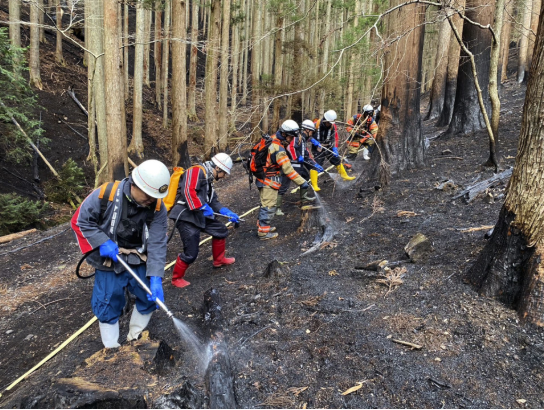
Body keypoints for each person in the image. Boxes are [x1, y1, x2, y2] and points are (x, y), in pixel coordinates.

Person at [71, 160, 170, 348]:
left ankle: (136, 337)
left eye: (155, 196)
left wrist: (156, 277)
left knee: (149, 296)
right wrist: (101, 241)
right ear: (134, 184)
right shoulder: (105, 194)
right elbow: (80, 221)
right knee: (108, 301)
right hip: (109, 257)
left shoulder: (157, 207)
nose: (152, 199)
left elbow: (157, 243)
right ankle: (111, 348)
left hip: (138, 255)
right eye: (148, 195)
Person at [169, 153, 240, 288]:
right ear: (218, 168)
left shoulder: (208, 180)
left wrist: (226, 211)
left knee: (221, 230)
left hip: (199, 214)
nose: (224, 176)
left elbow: (213, 201)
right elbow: (188, 191)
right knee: (191, 252)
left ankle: (219, 260)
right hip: (185, 216)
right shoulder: (196, 171)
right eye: (224, 173)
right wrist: (201, 206)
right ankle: (176, 278)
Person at [254, 120, 309, 240]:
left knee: (265, 204)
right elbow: (288, 170)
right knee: (269, 205)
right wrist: (302, 182)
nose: (291, 140)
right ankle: (263, 233)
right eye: (290, 137)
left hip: (263, 177)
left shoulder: (273, 138)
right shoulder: (279, 149)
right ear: (284, 134)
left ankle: (263, 226)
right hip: (268, 180)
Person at [275, 120, 321, 216]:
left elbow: (306, 153)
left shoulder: (303, 139)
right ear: (307, 130)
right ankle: (276, 208)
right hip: (290, 165)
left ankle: (303, 197)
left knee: (305, 177)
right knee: (284, 186)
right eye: (312, 132)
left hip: (298, 165)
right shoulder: (296, 137)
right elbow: (290, 148)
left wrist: (314, 164)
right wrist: (296, 157)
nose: (312, 134)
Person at [309, 110, 355, 191]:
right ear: (325, 120)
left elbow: (333, 137)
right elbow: (307, 135)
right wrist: (313, 141)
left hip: (328, 146)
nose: (330, 124)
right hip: (318, 148)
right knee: (316, 164)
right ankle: (314, 185)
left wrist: (334, 148)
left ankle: (344, 176)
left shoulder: (332, 126)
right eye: (329, 123)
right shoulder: (315, 125)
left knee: (336, 160)